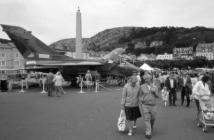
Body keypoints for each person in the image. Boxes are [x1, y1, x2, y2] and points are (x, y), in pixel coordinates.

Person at [139, 73, 159, 139]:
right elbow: (140, 95)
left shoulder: (155, 86)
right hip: (145, 105)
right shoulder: (142, 86)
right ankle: (148, 132)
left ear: (150, 79)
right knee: (147, 119)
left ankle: (151, 126)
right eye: (144, 79)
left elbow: (158, 96)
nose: (145, 80)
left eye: (146, 79)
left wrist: (155, 93)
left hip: (153, 105)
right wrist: (141, 103)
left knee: (153, 118)